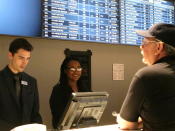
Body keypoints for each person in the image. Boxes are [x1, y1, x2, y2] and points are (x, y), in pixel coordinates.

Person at [117, 23, 175, 131]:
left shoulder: (146, 76)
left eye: (145, 42)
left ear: (159, 47)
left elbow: (126, 125)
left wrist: (138, 122)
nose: (141, 47)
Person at [0, 38, 42, 131]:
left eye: (27, 59)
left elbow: (35, 114)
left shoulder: (31, 82)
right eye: (21, 58)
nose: (24, 63)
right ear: (10, 55)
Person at [50, 57, 91, 129]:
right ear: (65, 70)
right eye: (72, 69)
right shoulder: (58, 90)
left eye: (79, 68)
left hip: (83, 127)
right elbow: (58, 116)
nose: (76, 71)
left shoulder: (85, 87)